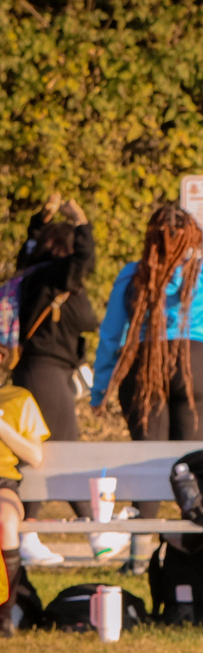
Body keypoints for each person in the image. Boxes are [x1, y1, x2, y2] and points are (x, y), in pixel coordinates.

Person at [95, 203, 203, 516]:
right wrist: (194, 238)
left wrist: (100, 390)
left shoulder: (133, 274)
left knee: (147, 462)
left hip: (144, 364)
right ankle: (194, 554)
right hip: (196, 364)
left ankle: (138, 551)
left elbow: (110, 335)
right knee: (194, 464)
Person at [10, 194, 96, 550]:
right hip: (45, 372)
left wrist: (41, 217)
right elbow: (84, 261)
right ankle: (90, 529)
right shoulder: (52, 278)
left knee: (42, 447)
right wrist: (81, 222)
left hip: (34, 371)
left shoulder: (31, 272)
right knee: (62, 448)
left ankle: (36, 529)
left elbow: (29, 247)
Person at [0, 373, 51, 634]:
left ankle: (4, 615)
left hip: (2, 484)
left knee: (5, 521)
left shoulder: (20, 398)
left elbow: (35, 455)